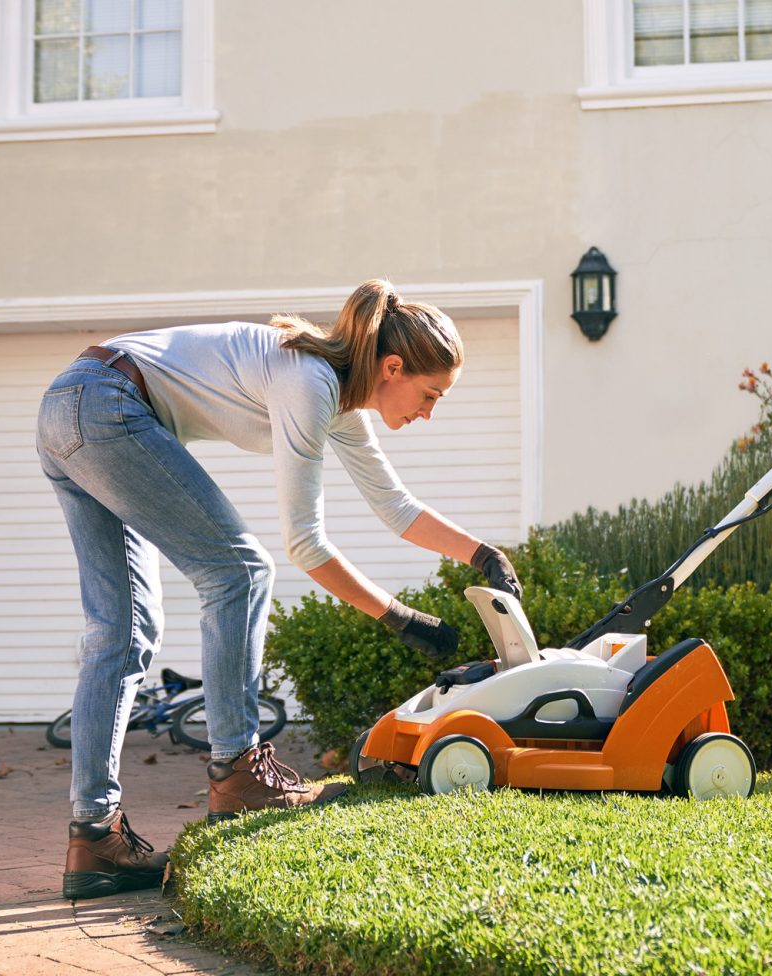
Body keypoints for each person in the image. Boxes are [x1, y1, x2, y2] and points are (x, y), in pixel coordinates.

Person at [36, 278, 521, 900]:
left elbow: (396, 507)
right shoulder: (310, 382)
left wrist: (484, 555)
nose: (429, 412)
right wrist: (400, 617)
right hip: (107, 404)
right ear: (392, 367)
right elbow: (306, 545)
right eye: (430, 395)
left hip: (70, 405)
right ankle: (239, 771)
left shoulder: (338, 398)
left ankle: (94, 838)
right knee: (240, 571)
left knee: (122, 630)